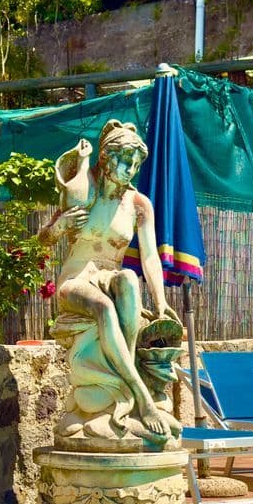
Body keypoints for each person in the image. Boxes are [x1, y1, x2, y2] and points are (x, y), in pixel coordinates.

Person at [45, 120, 181, 447]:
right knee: (105, 307)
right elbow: (44, 239)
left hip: (109, 277)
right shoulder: (85, 192)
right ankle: (140, 395)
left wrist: (160, 301)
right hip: (76, 281)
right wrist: (59, 228)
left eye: (136, 164)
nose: (130, 169)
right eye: (124, 161)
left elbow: (149, 257)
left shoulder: (138, 205)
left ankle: (125, 376)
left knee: (129, 278)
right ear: (106, 159)